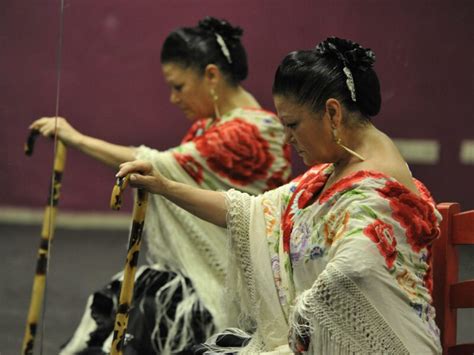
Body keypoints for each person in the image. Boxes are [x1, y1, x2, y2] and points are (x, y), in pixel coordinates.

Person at [117, 37, 442, 354]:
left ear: (333, 113)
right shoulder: (332, 171)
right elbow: (253, 213)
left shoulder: (377, 186)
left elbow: (355, 267)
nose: (287, 138)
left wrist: (302, 319)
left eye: (293, 124)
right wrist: (164, 186)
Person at [30, 17, 291, 354]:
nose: (172, 98)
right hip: (204, 274)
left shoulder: (249, 131)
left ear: (211, 75)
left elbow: (158, 166)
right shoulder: (217, 126)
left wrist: (76, 138)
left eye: (178, 86)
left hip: (230, 282)